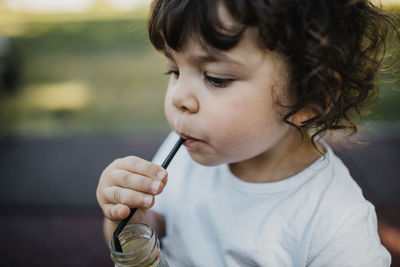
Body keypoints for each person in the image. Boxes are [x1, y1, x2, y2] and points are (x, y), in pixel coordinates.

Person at [97, 0, 398, 265]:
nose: (179, 98)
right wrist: (128, 219)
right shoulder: (190, 149)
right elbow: (146, 239)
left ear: (310, 98)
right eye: (174, 71)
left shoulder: (336, 223)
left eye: (216, 79)